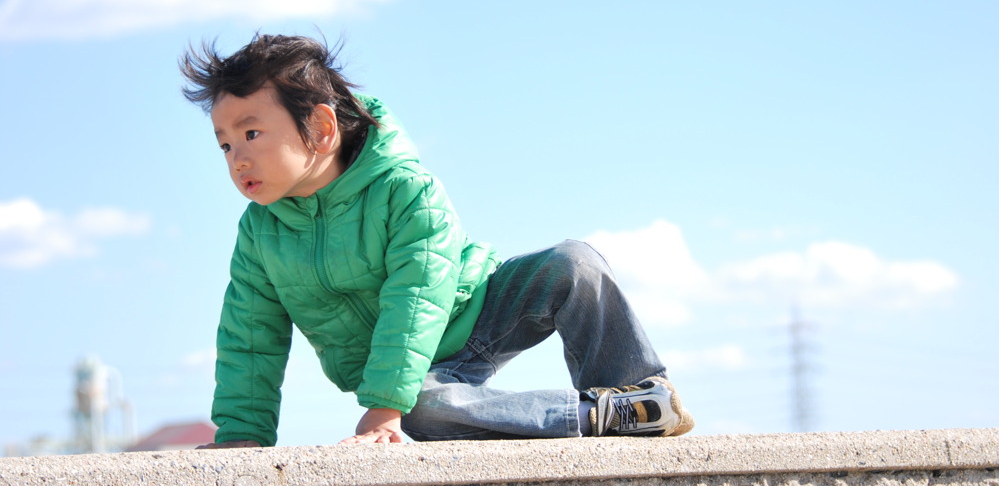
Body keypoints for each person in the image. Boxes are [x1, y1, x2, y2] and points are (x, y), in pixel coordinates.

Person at [179, 34, 694, 447]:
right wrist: (243, 435)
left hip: (475, 311)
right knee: (423, 409)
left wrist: (383, 407)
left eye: (250, 135)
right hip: (416, 378)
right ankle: (594, 417)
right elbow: (250, 337)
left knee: (572, 263)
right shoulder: (259, 233)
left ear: (320, 126)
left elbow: (416, 297)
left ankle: (638, 398)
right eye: (223, 143)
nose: (236, 158)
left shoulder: (404, 189)